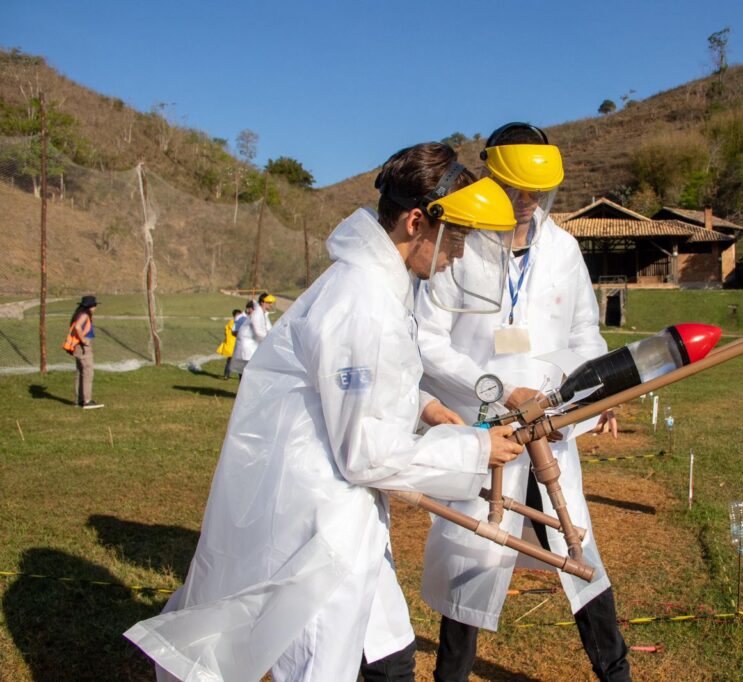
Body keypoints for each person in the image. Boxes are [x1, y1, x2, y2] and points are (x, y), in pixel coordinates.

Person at [125, 142, 524, 681]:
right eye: (455, 237)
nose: (457, 254)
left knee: (391, 657)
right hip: (315, 521)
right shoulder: (362, 299)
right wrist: (478, 447)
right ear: (415, 222)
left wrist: (425, 405)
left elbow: (361, 387)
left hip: (343, 512)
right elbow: (366, 453)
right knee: (329, 663)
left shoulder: (378, 285)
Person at [416, 123, 630, 681]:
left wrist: (586, 390)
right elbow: (428, 339)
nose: (527, 204)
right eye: (515, 191)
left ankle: (616, 673)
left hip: (549, 426)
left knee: (579, 551)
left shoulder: (562, 249)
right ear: (490, 177)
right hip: (484, 427)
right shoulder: (460, 244)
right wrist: (498, 389)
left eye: (537, 194)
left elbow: (586, 333)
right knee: (476, 552)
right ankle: (451, 677)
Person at [62, 295, 104, 409]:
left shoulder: (79, 313)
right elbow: (77, 327)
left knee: (81, 372)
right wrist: (84, 340)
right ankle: (87, 401)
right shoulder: (85, 315)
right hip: (82, 347)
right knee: (88, 372)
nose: (95, 307)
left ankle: (79, 400)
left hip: (77, 346)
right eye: (94, 305)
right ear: (90, 306)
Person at [231, 294, 274, 376]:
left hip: (253, 347)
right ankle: (244, 388)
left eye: (271, 302)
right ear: (262, 303)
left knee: (251, 373)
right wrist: (270, 338)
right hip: (248, 347)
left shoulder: (263, 313)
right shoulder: (257, 314)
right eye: (268, 302)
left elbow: (268, 328)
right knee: (247, 373)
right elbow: (259, 332)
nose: (270, 305)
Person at [215, 308, 243, 378]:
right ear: (234, 315)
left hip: (233, 345)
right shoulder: (234, 323)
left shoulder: (232, 323)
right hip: (233, 345)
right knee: (235, 361)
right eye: (238, 315)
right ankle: (229, 375)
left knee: (231, 361)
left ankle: (227, 375)